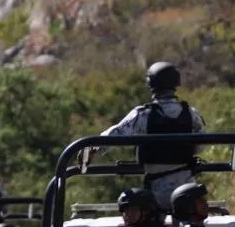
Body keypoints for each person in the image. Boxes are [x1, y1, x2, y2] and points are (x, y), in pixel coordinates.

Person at [88, 62, 205, 213]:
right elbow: (200, 145)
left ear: (151, 83)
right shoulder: (191, 113)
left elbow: (116, 133)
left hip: (156, 191)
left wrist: (92, 148)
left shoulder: (143, 114)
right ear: (176, 82)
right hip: (187, 191)